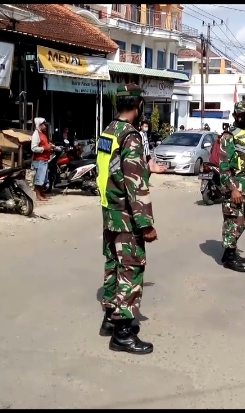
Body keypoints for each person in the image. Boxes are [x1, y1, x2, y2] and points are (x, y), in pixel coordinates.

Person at [96, 84, 167, 355]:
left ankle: (110, 319)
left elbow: (110, 172)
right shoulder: (130, 136)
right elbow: (134, 183)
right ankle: (122, 333)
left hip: (109, 211)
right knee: (131, 268)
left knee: (114, 266)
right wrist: (146, 224)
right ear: (138, 106)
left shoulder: (108, 132)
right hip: (126, 216)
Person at [218, 101, 245, 272]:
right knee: (232, 222)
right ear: (234, 115)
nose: (242, 117)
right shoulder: (229, 136)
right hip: (235, 187)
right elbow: (224, 165)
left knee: (242, 222)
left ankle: (231, 251)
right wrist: (233, 188)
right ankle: (228, 258)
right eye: (239, 115)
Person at [30, 117, 54, 201]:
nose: (45, 126)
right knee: (39, 179)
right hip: (39, 160)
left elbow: (45, 144)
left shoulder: (42, 134)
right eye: (44, 125)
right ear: (40, 125)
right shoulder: (36, 135)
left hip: (44, 160)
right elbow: (33, 148)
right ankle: (38, 195)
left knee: (43, 179)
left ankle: (42, 194)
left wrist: (50, 146)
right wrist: (45, 148)